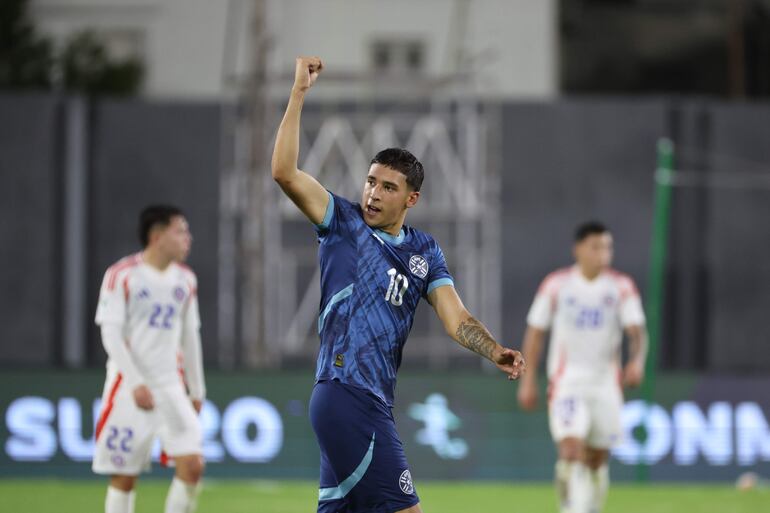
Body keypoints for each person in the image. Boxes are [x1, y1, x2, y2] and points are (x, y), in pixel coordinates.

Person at [272, 56, 526, 513]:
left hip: (370, 400)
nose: (372, 193)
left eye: (388, 187)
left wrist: (494, 351)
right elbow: (284, 173)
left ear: (412, 198)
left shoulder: (424, 251)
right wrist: (298, 94)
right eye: (370, 181)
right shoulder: (342, 222)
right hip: (346, 391)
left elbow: (457, 318)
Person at [517, 221, 648, 513]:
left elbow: (637, 332)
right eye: (596, 247)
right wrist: (528, 380)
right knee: (571, 448)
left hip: (605, 384)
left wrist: (637, 362)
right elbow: (536, 332)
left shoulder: (621, 286)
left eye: (607, 247)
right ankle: (571, 508)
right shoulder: (557, 285)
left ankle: (591, 507)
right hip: (568, 383)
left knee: (597, 457)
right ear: (579, 249)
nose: (603, 253)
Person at [92, 205, 206, 513]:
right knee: (125, 476)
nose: (188, 238)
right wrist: (136, 382)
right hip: (129, 389)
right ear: (157, 236)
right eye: (180, 231)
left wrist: (196, 389)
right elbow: (111, 335)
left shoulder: (186, 280)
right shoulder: (122, 276)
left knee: (193, 464)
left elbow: (190, 336)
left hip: (170, 386)